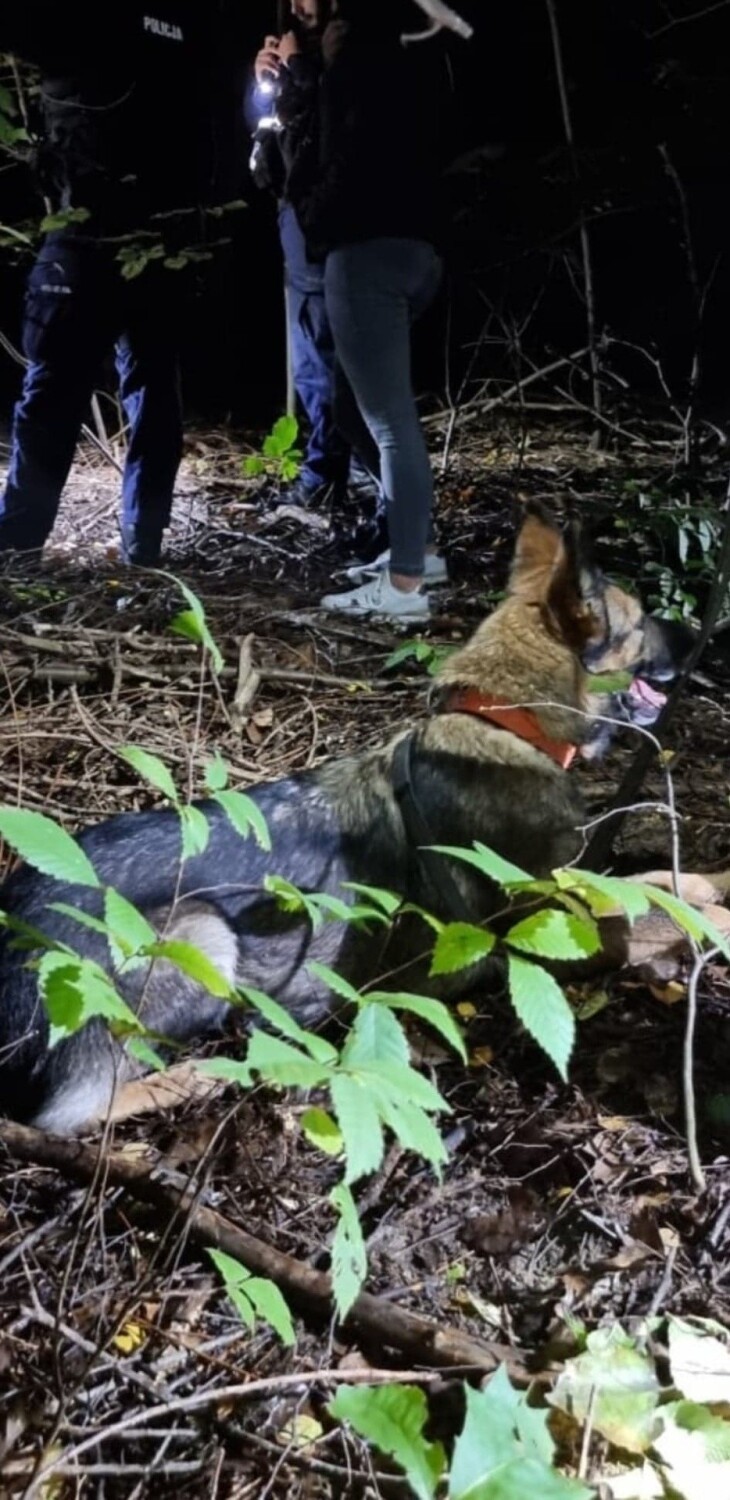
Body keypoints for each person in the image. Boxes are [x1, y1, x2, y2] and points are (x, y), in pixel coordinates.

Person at [0, 3, 243, 566]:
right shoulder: (191, 26)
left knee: (55, 396)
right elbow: (216, 124)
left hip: (90, 238)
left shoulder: (83, 18)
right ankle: (142, 544)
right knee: (151, 395)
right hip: (160, 239)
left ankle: (18, 545)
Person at [290, 0, 448, 622]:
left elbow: (340, 161)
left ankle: (406, 587)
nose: (312, 23)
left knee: (387, 421)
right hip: (417, 250)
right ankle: (420, 551)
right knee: (350, 404)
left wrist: (312, 214)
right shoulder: (409, 61)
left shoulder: (357, 68)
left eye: (322, 16)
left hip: (368, 253)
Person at [249, 0, 384, 544]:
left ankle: (364, 475)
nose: (303, 5)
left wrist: (302, 72)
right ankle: (325, 472)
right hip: (296, 227)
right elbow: (269, 156)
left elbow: (335, 141)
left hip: (343, 229)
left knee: (348, 357)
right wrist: (267, 86)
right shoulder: (289, 55)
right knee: (311, 359)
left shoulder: (349, 49)